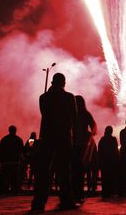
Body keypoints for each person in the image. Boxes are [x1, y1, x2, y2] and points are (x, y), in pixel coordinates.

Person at [31, 73, 78, 211]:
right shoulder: (69, 97)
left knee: (44, 171)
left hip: (47, 138)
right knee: (64, 171)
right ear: (63, 82)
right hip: (64, 138)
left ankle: (38, 202)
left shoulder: (43, 98)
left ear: (52, 82)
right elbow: (74, 118)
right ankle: (66, 200)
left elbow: (45, 115)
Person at [72, 95, 96, 203]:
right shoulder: (86, 114)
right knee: (79, 172)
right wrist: (89, 136)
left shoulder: (72, 114)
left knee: (74, 171)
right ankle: (78, 194)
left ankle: (75, 194)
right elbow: (94, 128)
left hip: (75, 146)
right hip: (80, 146)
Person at [0, 125, 24, 194]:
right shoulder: (18, 140)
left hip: (6, 162)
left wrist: (1, 159)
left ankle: (4, 189)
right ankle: (14, 189)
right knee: (14, 176)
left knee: (5, 176)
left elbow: (1, 150)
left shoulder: (4, 139)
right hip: (15, 161)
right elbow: (21, 150)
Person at [98, 126, 119, 199]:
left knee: (104, 177)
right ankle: (110, 192)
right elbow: (116, 150)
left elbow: (99, 151)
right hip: (111, 161)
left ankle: (105, 193)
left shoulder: (102, 139)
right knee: (111, 177)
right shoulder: (113, 139)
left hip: (104, 161)